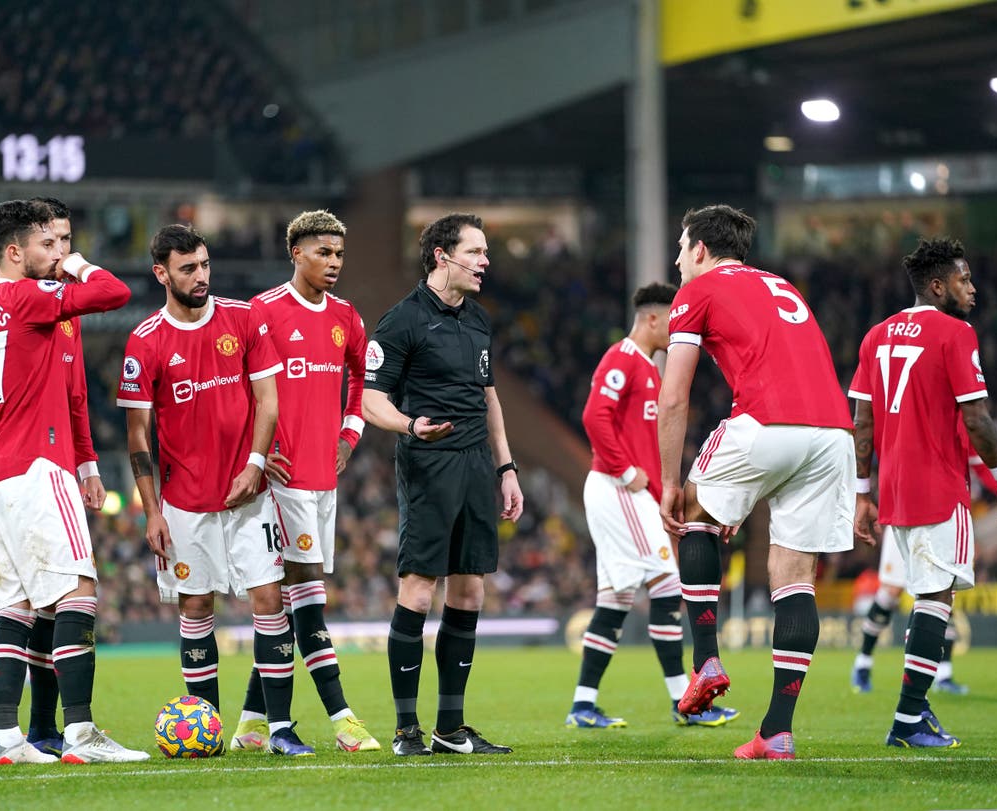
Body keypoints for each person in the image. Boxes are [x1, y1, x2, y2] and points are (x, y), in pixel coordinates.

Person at [0, 199, 146, 764]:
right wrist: (76, 266)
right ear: (15, 251)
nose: (60, 253)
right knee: (79, 594)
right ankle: (80, 734)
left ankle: (4, 740)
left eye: (64, 244)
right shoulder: (28, 297)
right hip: (38, 469)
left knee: (16, 608)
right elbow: (114, 293)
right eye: (48, 245)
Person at [657, 204, 855, 761]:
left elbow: (673, 395)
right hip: (832, 435)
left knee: (692, 513)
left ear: (699, 250)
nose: (677, 260)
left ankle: (704, 661)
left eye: (680, 247)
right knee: (795, 579)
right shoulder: (780, 284)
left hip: (769, 421)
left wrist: (670, 483)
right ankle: (776, 731)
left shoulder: (697, 291)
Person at [119, 224, 313, 757]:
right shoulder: (146, 340)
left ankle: (279, 729)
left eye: (204, 265)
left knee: (270, 599)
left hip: (249, 496)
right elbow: (138, 435)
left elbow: (269, 400)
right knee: (196, 606)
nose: (201, 276)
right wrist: (151, 511)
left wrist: (254, 464)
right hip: (183, 505)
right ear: (162, 273)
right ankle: (203, 728)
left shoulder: (242, 318)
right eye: (188, 268)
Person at [849, 237, 997, 748]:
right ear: (938, 285)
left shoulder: (875, 335)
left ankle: (912, 712)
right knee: (934, 600)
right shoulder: (955, 333)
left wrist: (863, 493)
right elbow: (977, 417)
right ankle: (907, 718)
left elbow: (862, 423)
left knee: (927, 597)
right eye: (964, 279)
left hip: (896, 490)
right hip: (939, 485)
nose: (972, 288)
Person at [362, 212, 524, 757]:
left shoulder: (477, 319)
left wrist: (506, 467)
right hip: (430, 462)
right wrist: (410, 426)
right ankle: (407, 729)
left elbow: (488, 396)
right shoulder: (401, 321)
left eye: (485, 253)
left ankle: (450, 728)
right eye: (475, 252)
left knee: (471, 587)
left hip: (478, 461)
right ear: (442, 256)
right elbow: (370, 399)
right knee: (419, 586)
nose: (485, 262)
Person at [565, 282, 739, 731]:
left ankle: (583, 705)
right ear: (652, 319)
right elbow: (593, 416)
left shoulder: (648, 368)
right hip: (616, 488)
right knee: (666, 583)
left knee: (618, 598)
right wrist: (627, 471)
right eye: (672, 320)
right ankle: (686, 701)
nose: (676, 329)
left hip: (625, 492)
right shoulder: (622, 359)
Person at [236, 210, 379, 752]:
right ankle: (342, 720)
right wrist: (255, 452)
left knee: (296, 603)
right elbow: (240, 390)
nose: (334, 263)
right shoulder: (263, 312)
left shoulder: (347, 316)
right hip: (281, 480)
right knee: (307, 600)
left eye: (339, 254)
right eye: (323, 252)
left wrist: (349, 436)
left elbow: (364, 379)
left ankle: (252, 722)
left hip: (324, 479)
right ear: (295, 253)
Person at [851, 453, 997, 695]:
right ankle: (863, 662)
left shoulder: (958, 417)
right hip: (904, 508)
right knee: (891, 592)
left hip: (943, 510)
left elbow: (975, 456)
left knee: (944, 591)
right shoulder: (907, 418)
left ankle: (943, 674)